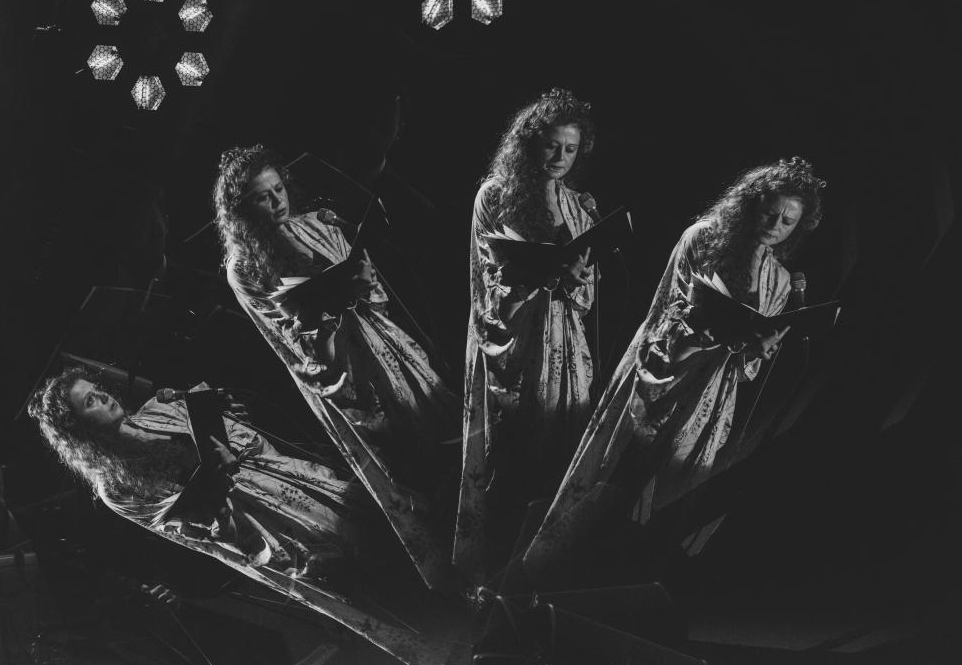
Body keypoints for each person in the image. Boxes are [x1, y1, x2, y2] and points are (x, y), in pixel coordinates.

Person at [27, 367, 453, 665]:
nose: (103, 397)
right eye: (90, 402)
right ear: (80, 432)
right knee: (361, 575)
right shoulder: (116, 487)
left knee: (388, 530)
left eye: (97, 389)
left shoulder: (159, 407)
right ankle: (448, 641)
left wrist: (232, 422)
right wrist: (216, 475)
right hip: (263, 526)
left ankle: (458, 590)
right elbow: (189, 525)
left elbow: (249, 443)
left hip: (290, 479)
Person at [524, 157, 826, 575]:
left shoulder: (780, 280)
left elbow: (747, 366)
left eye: (788, 221)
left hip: (709, 396)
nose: (776, 225)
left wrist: (757, 349)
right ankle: (556, 575)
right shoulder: (702, 239)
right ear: (751, 204)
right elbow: (665, 311)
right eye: (769, 213)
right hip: (660, 374)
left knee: (665, 501)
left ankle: (619, 581)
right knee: (612, 480)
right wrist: (706, 329)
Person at [214, 145, 460, 591]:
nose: (277, 201)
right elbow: (287, 338)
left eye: (279, 189)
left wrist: (364, 286)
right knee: (401, 463)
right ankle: (448, 569)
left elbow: (378, 297)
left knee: (439, 432)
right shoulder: (244, 267)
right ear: (242, 210)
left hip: (385, 345)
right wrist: (328, 307)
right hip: (340, 370)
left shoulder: (318, 224)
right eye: (262, 197)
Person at [454, 88, 599, 584]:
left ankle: (541, 575)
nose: (560, 157)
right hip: (514, 339)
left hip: (564, 342)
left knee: (558, 453)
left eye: (570, 148)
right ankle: (494, 574)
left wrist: (576, 278)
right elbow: (484, 278)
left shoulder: (577, 206)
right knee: (510, 454)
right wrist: (533, 278)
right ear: (529, 142)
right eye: (551, 145)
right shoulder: (496, 195)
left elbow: (588, 296)